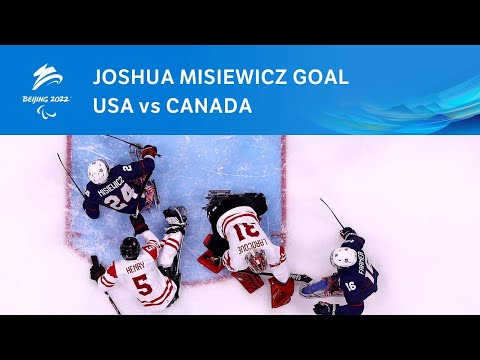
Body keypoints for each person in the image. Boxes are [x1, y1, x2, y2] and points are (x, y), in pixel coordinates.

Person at [200, 191, 294, 309]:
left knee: (262, 204)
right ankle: (214, 205)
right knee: (219, 250)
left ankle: (240, 198)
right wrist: (284, 285)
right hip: (219, 213)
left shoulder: (270, 249)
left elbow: (281, 266)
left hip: (244, 204)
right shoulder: (237, 263)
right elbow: (225, 258)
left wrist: (285, 283)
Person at [89, 206, 187, 312]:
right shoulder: (147, 255)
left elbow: (102, 286)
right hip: (170, 294)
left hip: (150, 306)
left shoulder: (116, 268)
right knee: (164, 256)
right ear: (138, 250)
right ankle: (177, 229)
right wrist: (141, 227)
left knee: (153, 263)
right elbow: (155, 242)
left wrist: (98, 274)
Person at [300, 227, 379, 315]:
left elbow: (356, 309)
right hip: (364, 273)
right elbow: (357, 240)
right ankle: (338, 281)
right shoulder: (351, 247)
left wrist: (331, 310)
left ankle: (338, 285)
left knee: (351, 291)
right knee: (349, 278)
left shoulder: (349, 283)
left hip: (367, 286)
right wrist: (349, 234)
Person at [82, 145, 158, 219]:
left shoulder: (91, 190)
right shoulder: (118, 172)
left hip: (130, 210)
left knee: (125, 180)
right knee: (134, 173)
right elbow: (149, 165)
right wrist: (149, 154)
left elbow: (93, 215)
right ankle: (148, 197)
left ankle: (144, 202)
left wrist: (87, 203)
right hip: (141, 202)